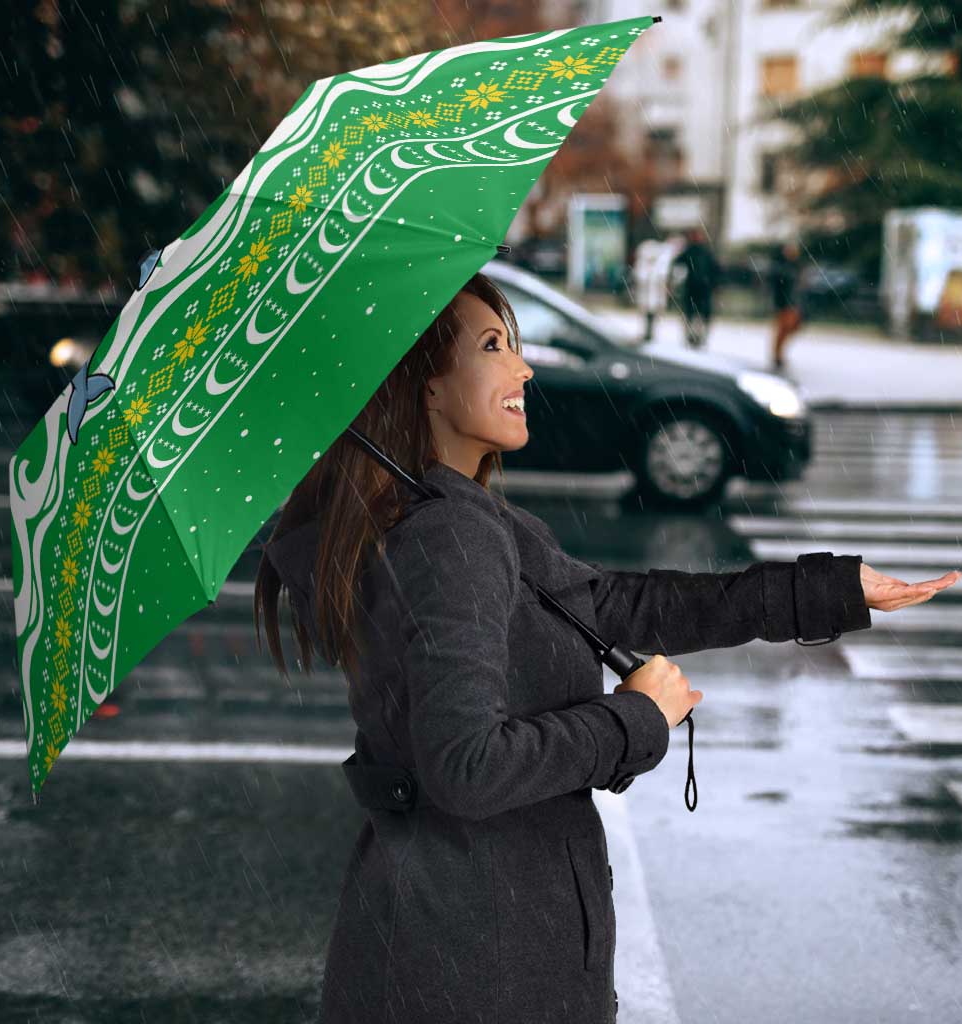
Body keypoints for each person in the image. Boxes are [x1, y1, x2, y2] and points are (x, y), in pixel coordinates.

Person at [255, 272, 888, 1024]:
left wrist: (828, 591)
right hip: (480, 963)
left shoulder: (454, 517)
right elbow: (467, 768)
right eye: (493, 346)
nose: (523, 368)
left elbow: (618, 605)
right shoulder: (449, 537)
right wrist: (635, 719)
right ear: (424, 386)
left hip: (458, 940)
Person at [671, 226, 721, 349]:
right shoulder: (691, 251)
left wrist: (714, 284)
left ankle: (698, 337)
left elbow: (715, 270)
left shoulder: (704, 252)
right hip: (694, 288)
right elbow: (677, 264)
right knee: (692, 314)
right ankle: (692, 337)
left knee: (699, 315)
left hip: (702, 288)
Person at [769, 240, 805, 371]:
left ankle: (779, 354)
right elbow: (778, 286)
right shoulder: (781, 267)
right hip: (784, 303)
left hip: (793, 303)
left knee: (792, 328)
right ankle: (777, 355)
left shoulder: (796, 266)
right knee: (783, 329)